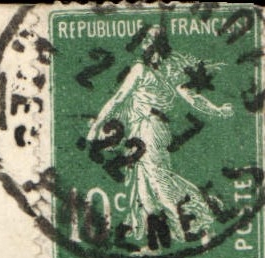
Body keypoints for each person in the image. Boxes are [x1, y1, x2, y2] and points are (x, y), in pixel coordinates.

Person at [87, 25, 235, 246]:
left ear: (160, 44)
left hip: (152, 131)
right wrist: (98, 124)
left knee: (159, 181)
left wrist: (218, 110)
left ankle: (201, 225)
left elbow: (193, 98)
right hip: (139, 132)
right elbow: (119, 98)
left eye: (151, 39)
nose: (146, 42)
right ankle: (155, 239)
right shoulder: (141, 69)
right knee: (144, 185)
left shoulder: (166, 71)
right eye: (145, 38)